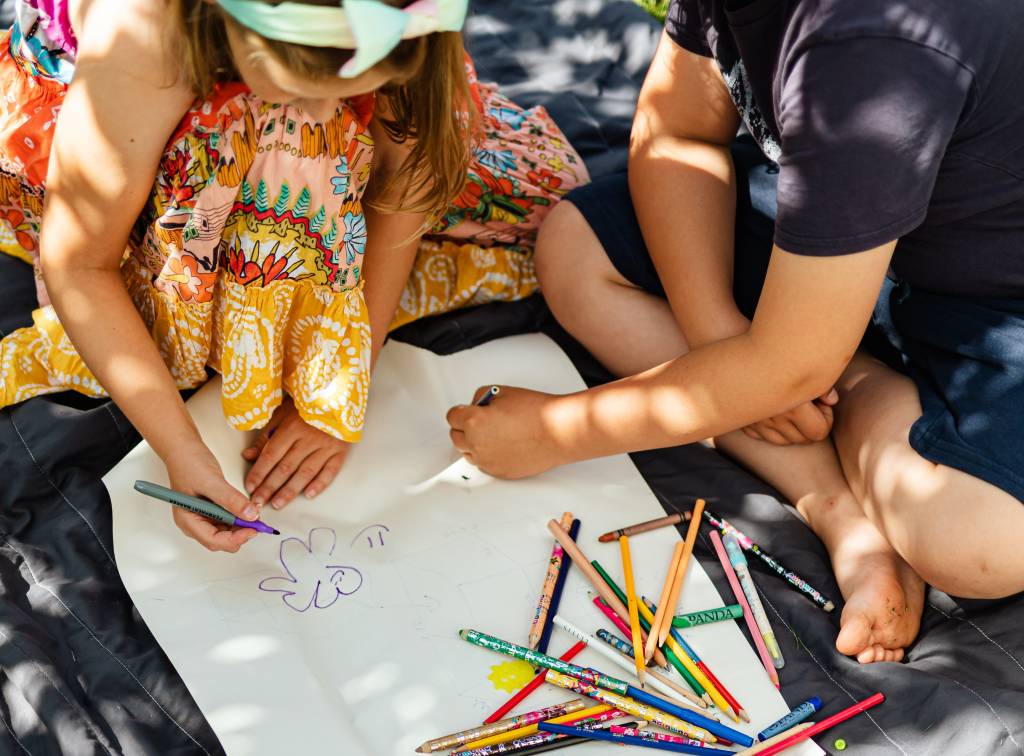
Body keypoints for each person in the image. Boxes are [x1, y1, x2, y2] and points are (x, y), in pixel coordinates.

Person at [447, 0, 1024, 663]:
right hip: (838, 236)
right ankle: (842, 510)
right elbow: (679, 135)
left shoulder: (873, 45)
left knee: (979, 544)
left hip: (993, 300)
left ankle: (844, 374)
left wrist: (556, 431)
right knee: (577, 252)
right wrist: (715, 332)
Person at [0, 0, 586, 551]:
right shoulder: (144, 32)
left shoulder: (397, 20)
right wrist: (182, 449)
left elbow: (406, 184)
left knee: (531, 199)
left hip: (247, 93)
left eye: (352, 93)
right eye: (310, 89)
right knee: (299, 154)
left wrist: (345, 381)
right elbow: (79, 261)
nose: (338, 120)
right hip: (136, 139)